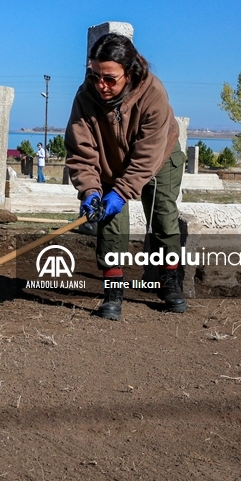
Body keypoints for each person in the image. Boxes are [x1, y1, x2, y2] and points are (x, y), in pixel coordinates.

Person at [65, 32, 186, 321]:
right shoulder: (85, 96)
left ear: (129, 72)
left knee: (163, 217)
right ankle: (113, 290)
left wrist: (121, 193)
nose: (101, 85)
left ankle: (170, 281)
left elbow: (147, 155)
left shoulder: (153, 93)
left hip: (159, 159)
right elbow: (81, 149)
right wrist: (91, 190)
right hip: (110, 162)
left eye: (110, 78)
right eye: (95, 76)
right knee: (108, 220)